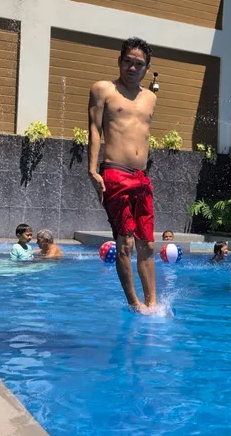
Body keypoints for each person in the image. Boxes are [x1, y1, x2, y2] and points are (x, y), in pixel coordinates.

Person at [88, 37, 158, 313]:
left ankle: (153, 303)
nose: (132, 67)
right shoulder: (103, 89)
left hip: (141, 177)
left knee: (148, 244)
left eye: (138, 64)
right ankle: (134, 303)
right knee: (125, 242)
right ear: (119, 61)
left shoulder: (150, 98)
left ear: (146, 68)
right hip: (115, 172)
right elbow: (94, 128)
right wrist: (92, 169)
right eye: (128, 61)